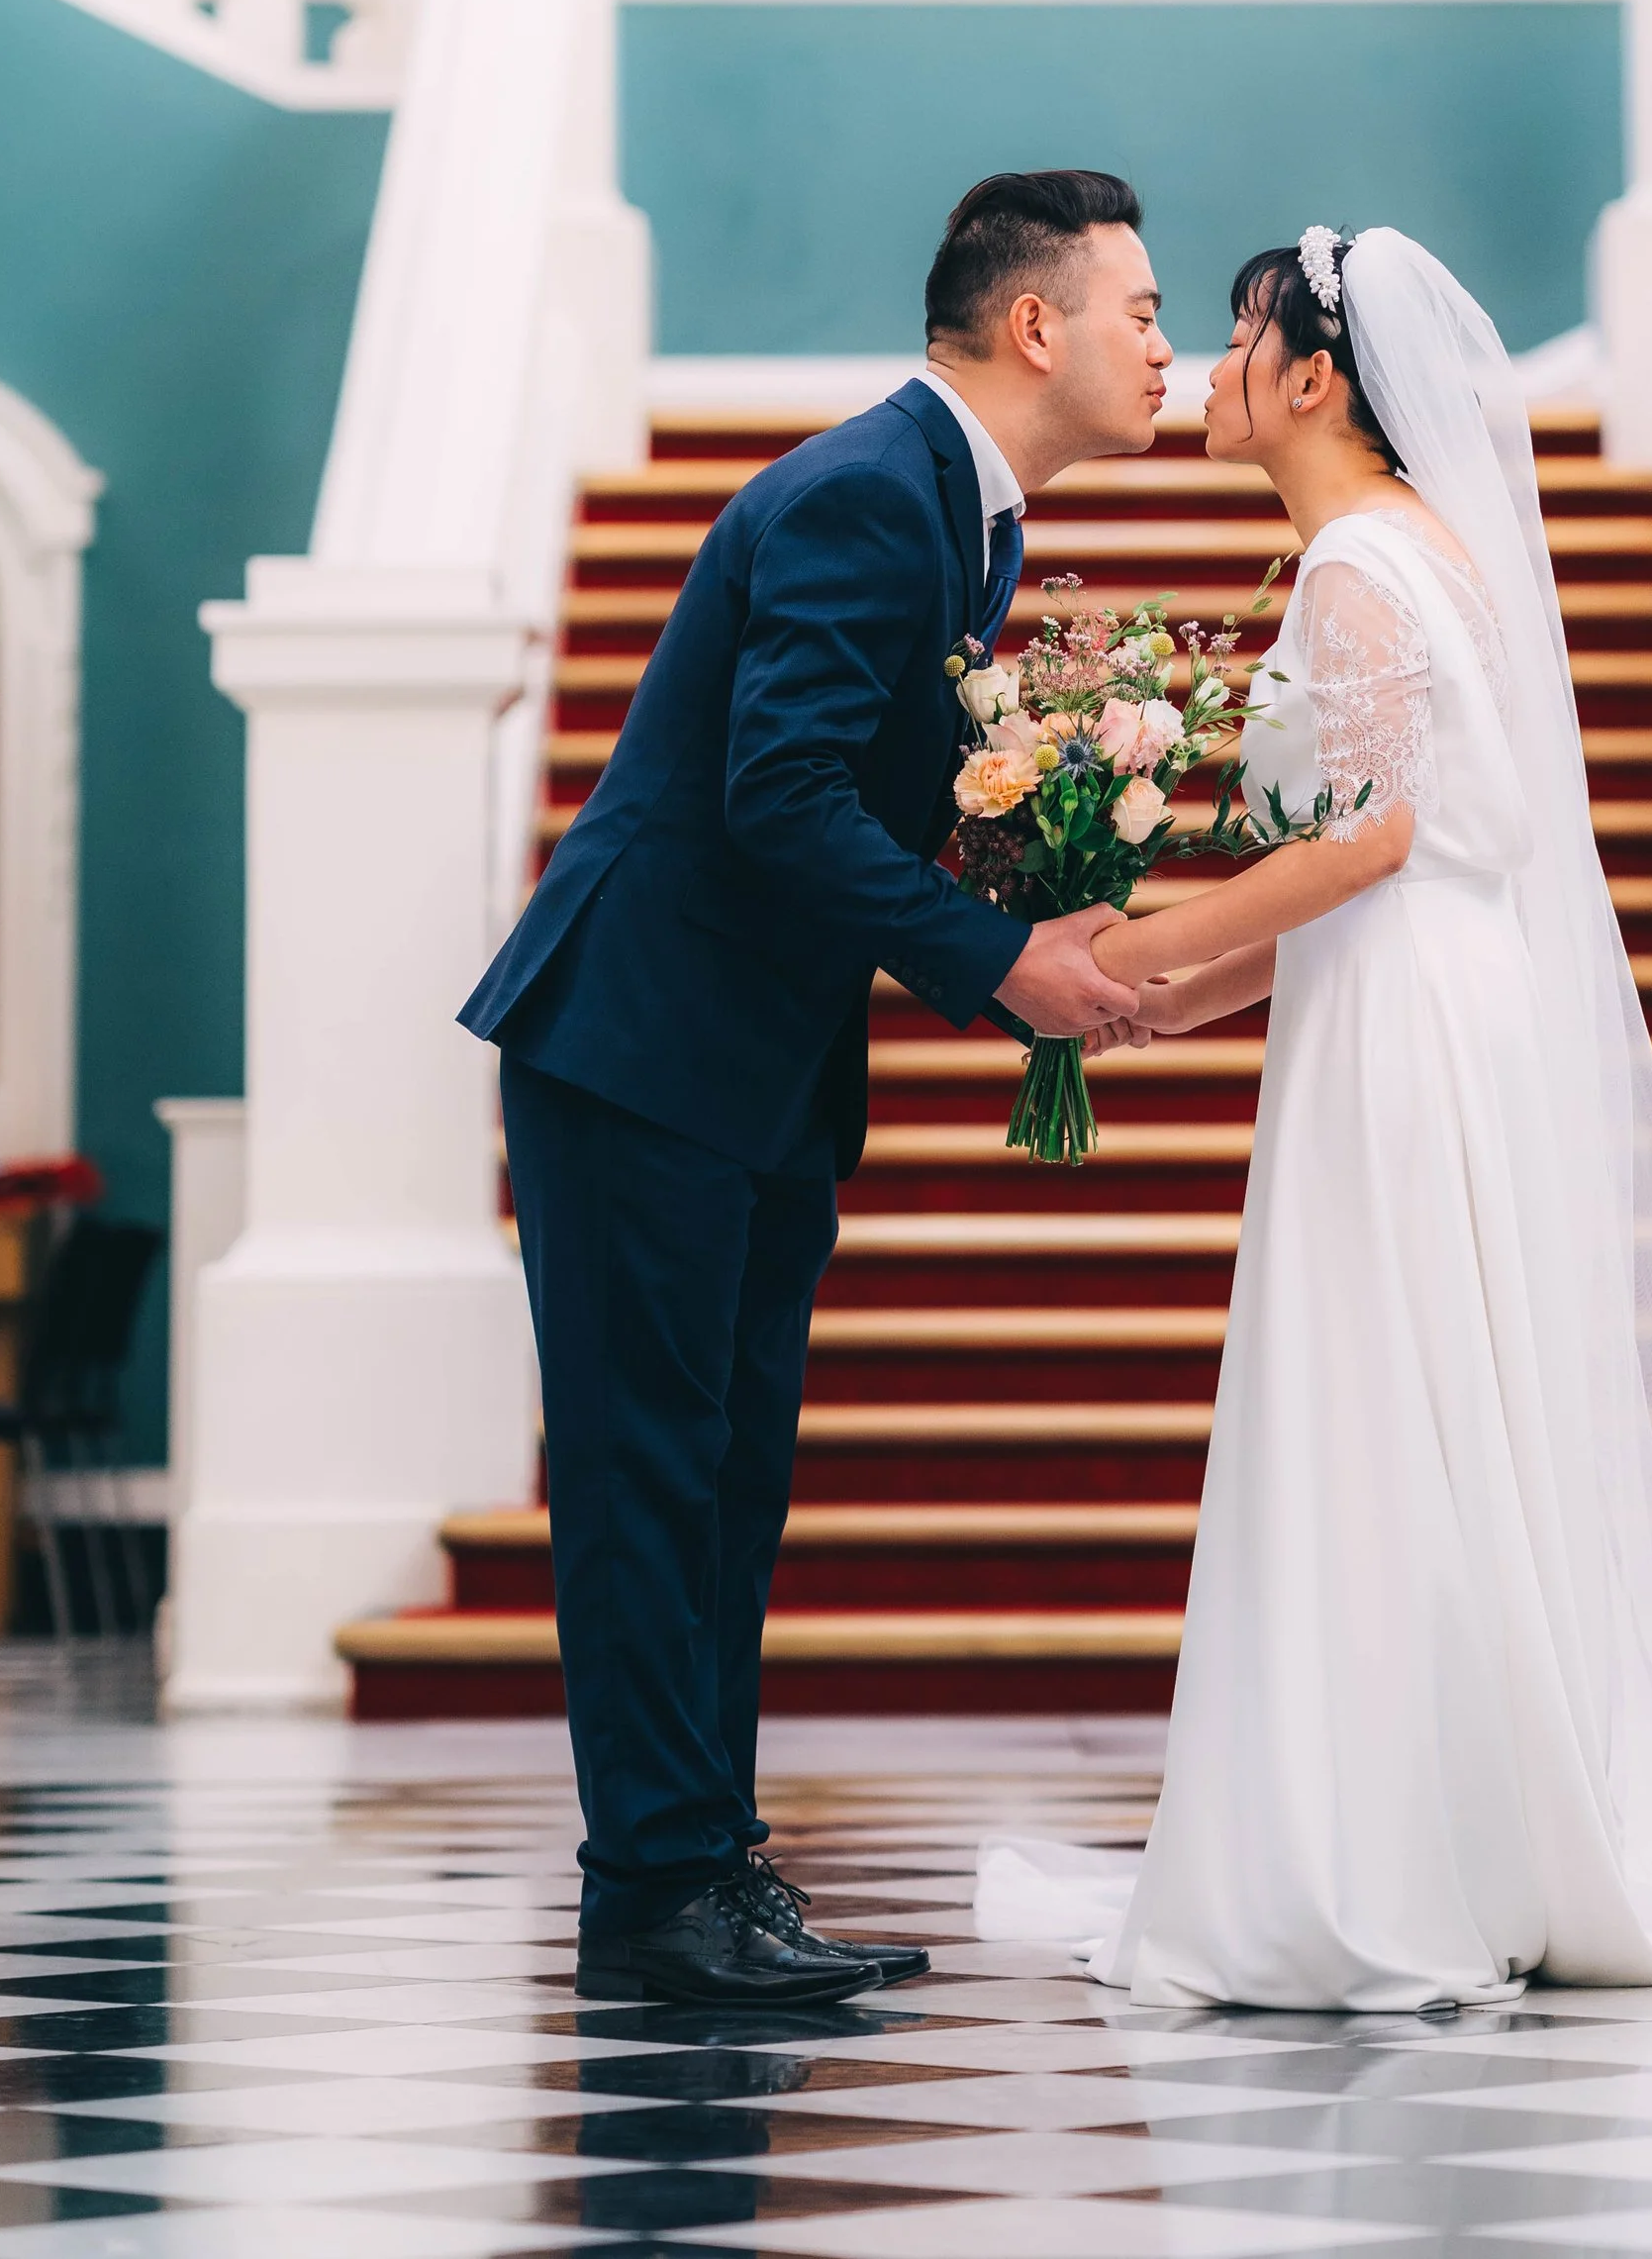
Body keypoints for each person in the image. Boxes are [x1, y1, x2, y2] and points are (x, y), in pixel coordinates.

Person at [979, 227, 1652, 2009]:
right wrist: (1146, 996)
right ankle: (1456, 1819)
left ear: (1314, 375)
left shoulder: (1360, 568)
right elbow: (1383, 860)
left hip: (1404, 1025)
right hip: (1415, 996)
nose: (1206, 374)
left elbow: (1367, 839)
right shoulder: (1411, 553)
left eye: (1231, 343)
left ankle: (1392, 1855)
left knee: (1386, 1395)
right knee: (1420, 1399)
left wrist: (1124, 942)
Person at [460, 170, 1168, 2008]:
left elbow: (851, 781)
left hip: (737, 1056)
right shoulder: (875, 491)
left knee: (727, 1482)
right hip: (645, 1039)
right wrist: (1001, 963)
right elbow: (780, 796)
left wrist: (1033, 895)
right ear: (1038, 326)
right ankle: (658, 1892)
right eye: (1143, 309)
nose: (1165, 347)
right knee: (648, 1475)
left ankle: (706, 1857)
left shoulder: (957, 508)